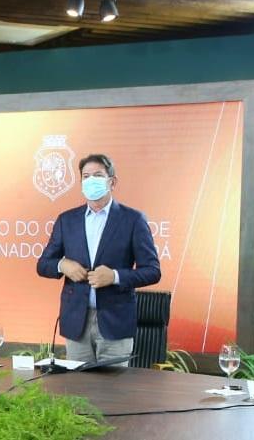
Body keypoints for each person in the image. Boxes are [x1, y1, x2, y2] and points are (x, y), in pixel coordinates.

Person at [37, 153, 161, 366]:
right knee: (79, 385)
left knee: (114, 386)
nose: (91, 181)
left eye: (98, 175)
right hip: (76, 321)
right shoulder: (67, 220)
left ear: (112, 182)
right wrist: (62, 265)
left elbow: (152, 271)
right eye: (86, 176)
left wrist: (114, 276)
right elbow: (43, 265)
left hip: (115, 322)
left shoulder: (133, 220)